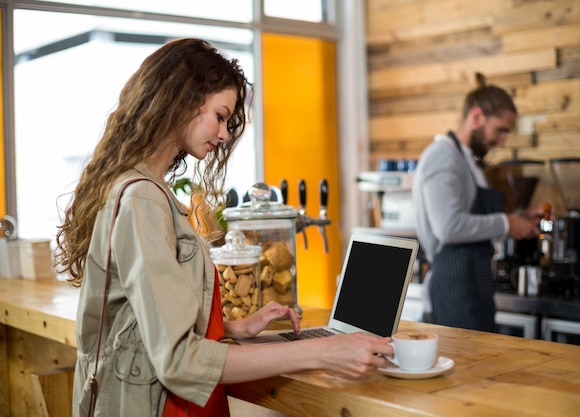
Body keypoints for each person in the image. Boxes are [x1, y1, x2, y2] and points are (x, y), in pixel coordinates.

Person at [55, 38, 393, 417]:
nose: (224, 134)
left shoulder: (139, 187)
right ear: (182, 100)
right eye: (220, 115)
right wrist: (325, 351)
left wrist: (230, 329)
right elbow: (179, 361)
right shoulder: (143, 199)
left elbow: (141, 320)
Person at [411, 78, 544, 333]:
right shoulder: (443, 156)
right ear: (476, 116)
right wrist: (507, 223)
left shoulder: (465, 160)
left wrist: (520, 218)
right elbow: (449, 227)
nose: (503, 141)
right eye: (500, 130)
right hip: (453, 289)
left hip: (473, 285)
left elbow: (471, 218)